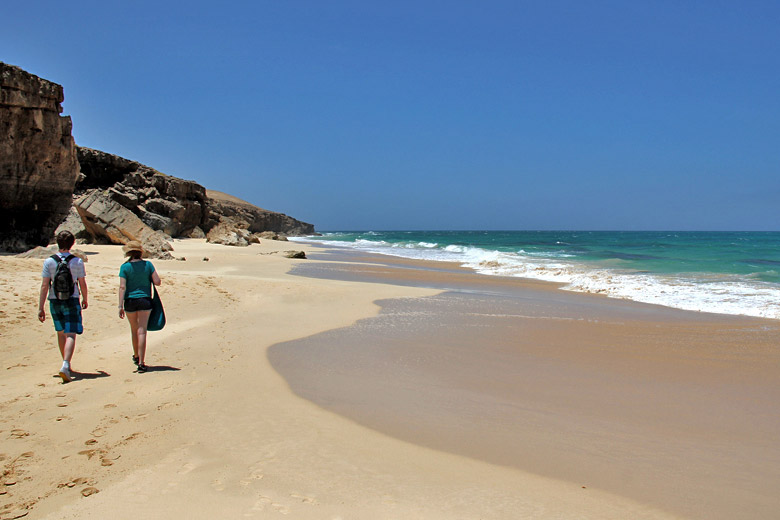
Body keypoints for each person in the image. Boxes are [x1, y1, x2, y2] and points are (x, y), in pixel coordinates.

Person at [38, 230, 88, 383]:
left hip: (54, 299)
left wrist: (41, 307)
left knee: (60, 333)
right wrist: (85, 298)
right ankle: (65, 364)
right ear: (72, 243)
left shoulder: (49, 262)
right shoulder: (77, 261)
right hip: (72, 299)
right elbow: (82, 283)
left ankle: (65, 363)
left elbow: (45, 285)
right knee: (71, 333)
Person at [118, 241, 161, 373]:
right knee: (142, 331)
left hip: (130, 301)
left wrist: (120, 305)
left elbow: (122, 287)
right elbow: (157, 282)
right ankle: (141, 363)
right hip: (145, 300)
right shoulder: (148, 265)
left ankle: (136, 356)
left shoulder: (124, 267)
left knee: (134, 329)